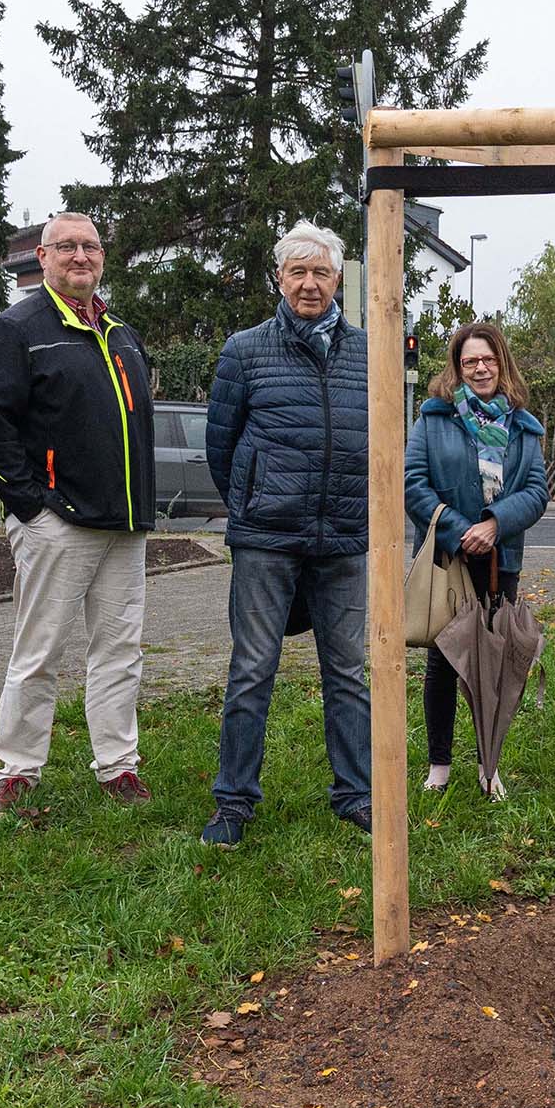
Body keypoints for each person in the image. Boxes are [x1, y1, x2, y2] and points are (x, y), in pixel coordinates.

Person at [0, 212, 157, 816]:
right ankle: (18, 769)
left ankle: (119, 766)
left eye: (91, 246)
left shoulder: (122, 332)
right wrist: (29, 506)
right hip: (58, 524)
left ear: (103, 258)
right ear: (41, 258)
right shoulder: (17, 328)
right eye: (66, 246)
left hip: (125, 526)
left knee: (120, 651)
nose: (80, 255)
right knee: (40, 651)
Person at [201, 220, 371, 844]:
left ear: (337, 280)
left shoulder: (367, 351)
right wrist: (256, 501)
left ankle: (356, 793)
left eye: (320, 272)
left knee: (348, 671)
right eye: (297, 272)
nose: (308, 284)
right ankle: (234, 802)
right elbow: (222, 448)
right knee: (252, 668)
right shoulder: (245, 350)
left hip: (346, 537)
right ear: (279, 278)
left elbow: (384, 443)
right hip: (267, 539)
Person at [404, 322, 549, 796]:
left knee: (495, 663)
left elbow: (536, 493)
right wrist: (459, 530)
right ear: (458, 366)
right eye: (470, 361)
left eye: (488, 359)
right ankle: (439, 767)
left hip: (499, 559)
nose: (480, 368)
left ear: (501, 363)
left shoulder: (524, 427)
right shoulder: (433, 419)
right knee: (444, 662)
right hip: (449, 560)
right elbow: (414, 485)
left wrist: (494, 524)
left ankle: (490, 765)